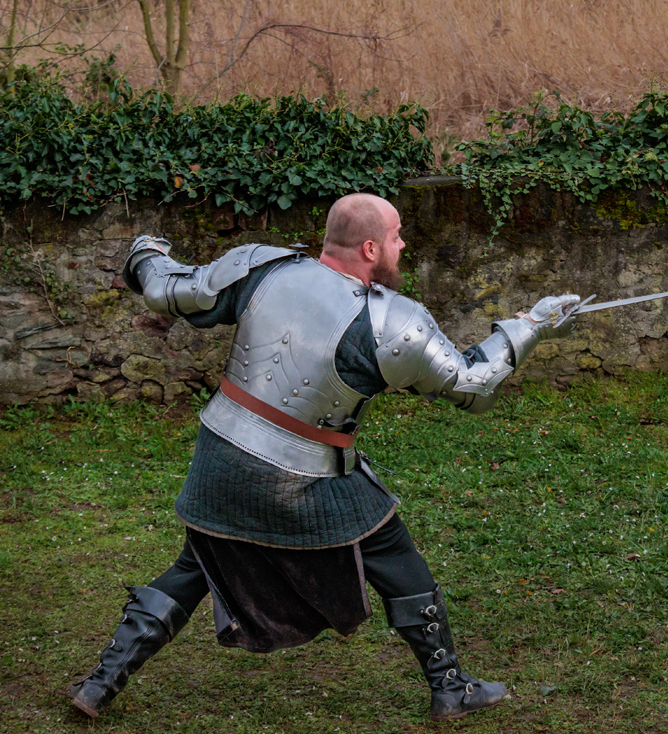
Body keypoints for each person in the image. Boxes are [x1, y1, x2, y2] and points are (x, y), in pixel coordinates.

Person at [70, 193, 579, 721]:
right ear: (368, 247)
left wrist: (146, 251)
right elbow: (470, 384)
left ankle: (100, 684)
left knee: (198, 563)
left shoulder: (261, 267)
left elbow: (163, 289)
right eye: (397, 236)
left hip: (221, 454)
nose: (403, 245)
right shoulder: (392, 323)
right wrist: (532, 325)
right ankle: (449, 686)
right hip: (303, 476)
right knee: (393, 552)